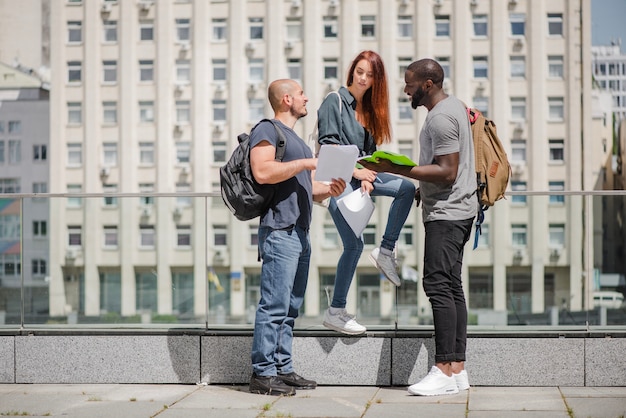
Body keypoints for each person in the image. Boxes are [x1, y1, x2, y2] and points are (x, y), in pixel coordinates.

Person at [359, 58, 478, 396]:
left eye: (409, 83)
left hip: (448, 213)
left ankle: (442, 368)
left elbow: (446, 171)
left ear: (428, 84)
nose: (405, 89)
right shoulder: (454, 106)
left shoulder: (440, 118)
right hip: (458, 209)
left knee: (437, 286)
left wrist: (395, 169)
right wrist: (419, 186)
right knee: (452, 287)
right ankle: (457, 370)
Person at [249, 79, 346, 396]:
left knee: (290, 309)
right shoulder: (267, 130)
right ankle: (262, 375)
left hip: (300, 232)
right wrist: (306, 163)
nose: (307, 98)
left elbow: (305, 187)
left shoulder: (299, 142)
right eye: (302, 93)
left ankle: (282, 368)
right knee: (274, 306)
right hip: (280, 230)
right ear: (287, 99)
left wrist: (327, 189)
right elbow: (262, 172)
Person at [316, 50, 416, 335]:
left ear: (377, 81)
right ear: (351, 72)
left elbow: (369, 154)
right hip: (337, 181)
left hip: (360, 178)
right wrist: (357, 173)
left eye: (369, 75)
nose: (363, 78)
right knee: (354, 245)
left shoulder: (372, 111)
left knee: (407, 187)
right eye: (359, 71)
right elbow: (328, 148)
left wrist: (368, 176)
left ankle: (386, 251)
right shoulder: (333, 101)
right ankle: (336, 312)